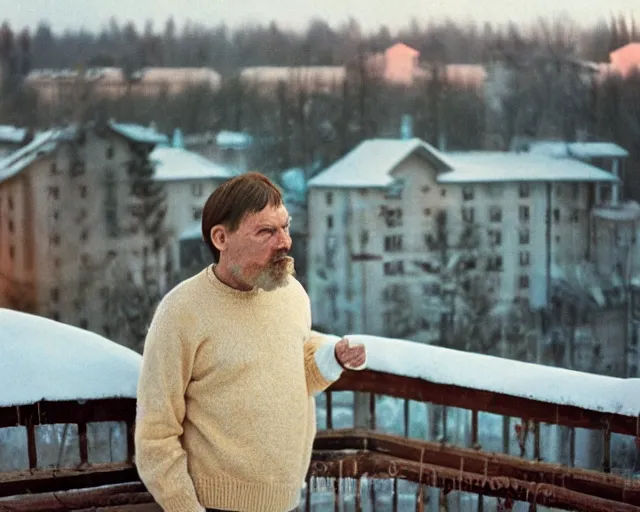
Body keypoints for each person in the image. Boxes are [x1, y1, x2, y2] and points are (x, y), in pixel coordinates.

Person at [134, 172, 367, 512]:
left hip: (286, 503)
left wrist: (334, 356)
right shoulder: (180, 312)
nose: (284, 241)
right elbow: (156, 435)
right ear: (220, 238)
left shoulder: (292, 294)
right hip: (214, 507)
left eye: (285, 227)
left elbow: (291, 369)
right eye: (266, 231)